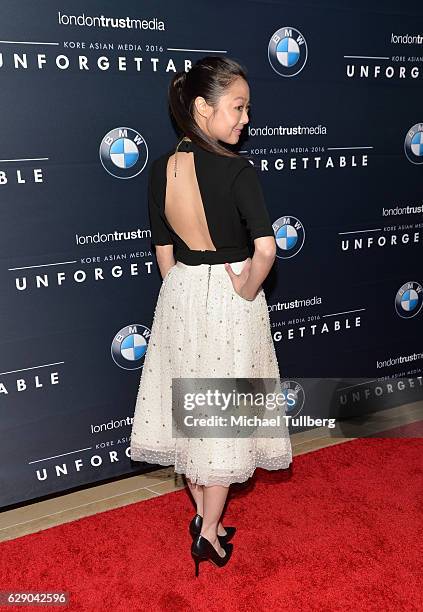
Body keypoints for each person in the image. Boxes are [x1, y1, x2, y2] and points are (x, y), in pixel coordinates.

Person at [129, 56, 292, 576]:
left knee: (194, 416)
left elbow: (163, 256)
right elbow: (265, 249)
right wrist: (243, 289)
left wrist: (186, 291)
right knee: (221, 419)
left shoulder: (161, 169)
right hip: (227, 299)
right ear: (202, 108)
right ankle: (207, 536)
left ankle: (207, 520)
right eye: (238, 107)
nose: (246, 119)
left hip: (180, 295)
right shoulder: (238, 170)